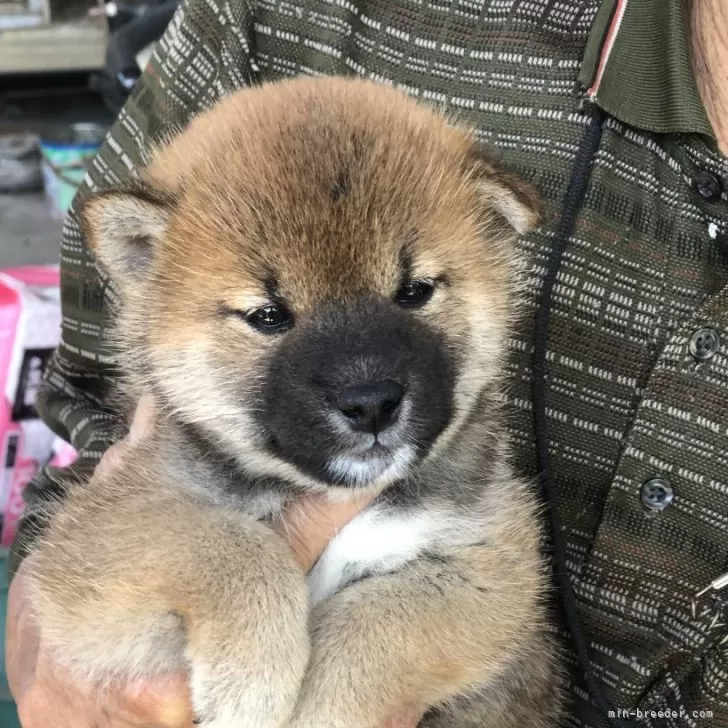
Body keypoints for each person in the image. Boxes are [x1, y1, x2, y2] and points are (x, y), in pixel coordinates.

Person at [6, 0, 728, 726]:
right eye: (266, 316)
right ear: (144, 263)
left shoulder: (467, 487)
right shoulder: (269, 21)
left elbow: (489, 590)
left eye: (415, 293)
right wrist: (221, 578)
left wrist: (362, 669)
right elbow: (80, 539)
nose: (366, 386)